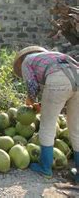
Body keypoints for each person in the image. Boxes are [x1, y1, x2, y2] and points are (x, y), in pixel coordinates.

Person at [13, 46, 78, 184]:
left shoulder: (27, 61)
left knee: (47, 125)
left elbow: (32, 86)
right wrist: (41, 104)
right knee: (76, 129)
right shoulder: (54, 55)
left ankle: (45, 168)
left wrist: (30, 101)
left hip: (58, 79)